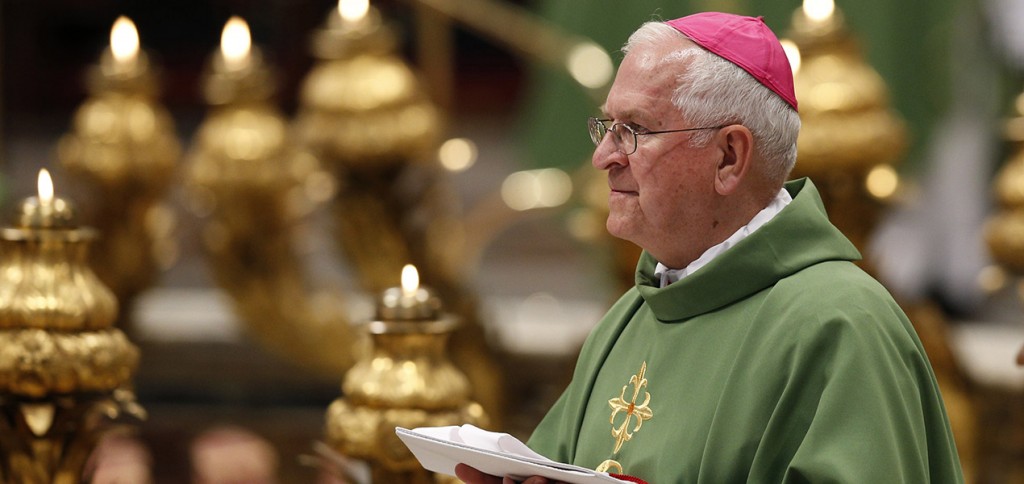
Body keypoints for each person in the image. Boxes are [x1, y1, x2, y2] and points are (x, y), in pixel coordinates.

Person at [456, 11, 964, 484]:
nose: (604, 156)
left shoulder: (843, 326)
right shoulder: (632, 316)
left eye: (634, 130)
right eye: (606, 127)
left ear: (728, 156)